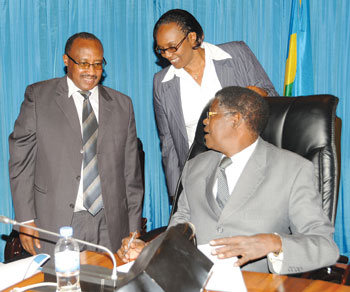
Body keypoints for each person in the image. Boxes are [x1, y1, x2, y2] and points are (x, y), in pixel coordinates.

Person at [119, 86, 339, 274]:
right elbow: (180, 227)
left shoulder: (293, 169)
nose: (204, 122)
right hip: (191, 280)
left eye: (211, 115)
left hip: (254, 284)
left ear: (235, 120)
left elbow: (324, 245)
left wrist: (274, 243)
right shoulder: (195, 166)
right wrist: (149, 249)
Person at [8, 32, 143, 256]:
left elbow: (131, 175)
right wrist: (25, 220)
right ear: (66, 60)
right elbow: (21, 163)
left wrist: (133, 230)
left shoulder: (122, 105)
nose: (91, 71)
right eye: (84, 63)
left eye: (98, 64)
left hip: (110, 226)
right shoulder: (39, 98)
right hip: (56, 224)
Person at [153, 9, 279, 199]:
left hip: (249, 168)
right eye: (161, 49)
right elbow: (168, 143)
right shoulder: (161, 83)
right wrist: (176, 194)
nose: (167, 55)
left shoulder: (236, 54)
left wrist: (260, 94)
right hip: (201, 180)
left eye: (173, 47)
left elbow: (273, 96)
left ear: (192, 37)